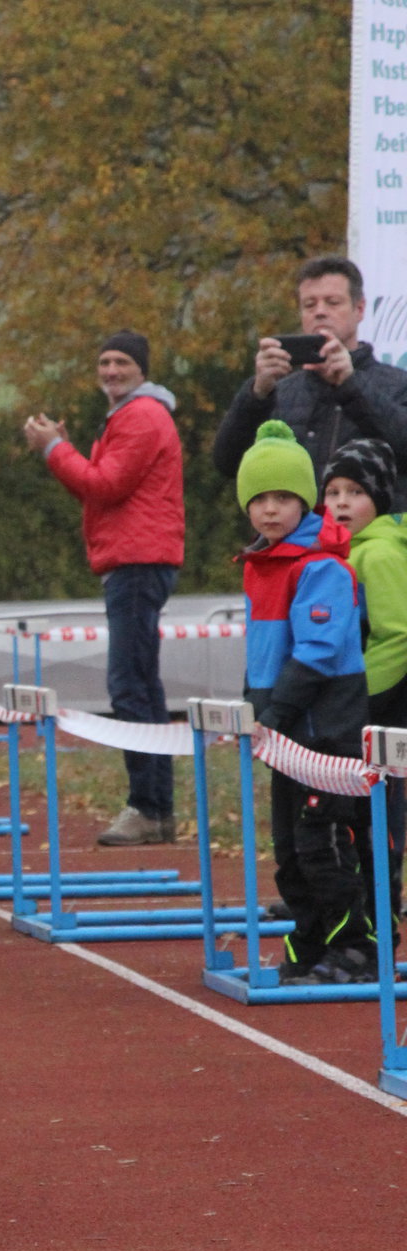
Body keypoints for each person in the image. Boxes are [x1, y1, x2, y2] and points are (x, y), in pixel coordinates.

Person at [24, 330, 185, 846]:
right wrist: (66, 450)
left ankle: (147, 806)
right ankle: (156, 808)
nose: (111, 371)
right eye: (104, 362)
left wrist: (54, 450)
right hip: (134, 558)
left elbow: (104, 485)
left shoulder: (140, 416)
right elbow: (101, 482)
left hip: (138, 560)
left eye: (121, 362)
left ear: (142, 369)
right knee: (142, 686)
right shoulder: (130, 416)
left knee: (130, 687)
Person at [239, 419, 371, 984]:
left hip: (324, 734)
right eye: (259, 498)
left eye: (283, 497)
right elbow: (263, 654)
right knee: (290, 850)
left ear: (304, 502)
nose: (270, 509)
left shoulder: (322, 567)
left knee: (325, 845)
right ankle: (311, 942)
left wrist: (274, 714)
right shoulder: (260, 565)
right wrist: (252, 707)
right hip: (285, 736)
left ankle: (356, 949)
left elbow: (317, 652)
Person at [212, 255, 407, 504]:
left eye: (332, 302)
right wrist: (256, 394)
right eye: (309, 305)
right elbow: (227, 462)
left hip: (373, 528)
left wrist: (351, 385)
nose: (320, 312)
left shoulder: (397, 384)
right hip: (300, 528)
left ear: (359, 309)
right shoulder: (281, 392)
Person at [320, 437, 407, 928]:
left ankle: (380, 917)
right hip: (356, 709)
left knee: (380, 818)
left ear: (380, 498)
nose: (341, 503)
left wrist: (357, 698)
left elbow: (398, 635)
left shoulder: (379, 555)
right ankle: (351, 904)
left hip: (380, 713)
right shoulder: (344, 552)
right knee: (350, 814)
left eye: (355, 492)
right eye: (332, 492)